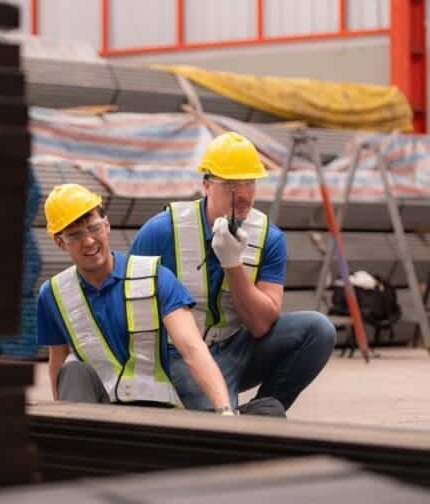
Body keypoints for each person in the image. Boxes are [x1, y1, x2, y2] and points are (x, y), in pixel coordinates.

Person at [129, 131, 336, 412]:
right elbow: (128, 309)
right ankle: (238, 416)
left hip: (234, 347)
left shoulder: (269, 238)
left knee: (318, 330)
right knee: (217, 423)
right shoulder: (161, 231)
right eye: (231, 184)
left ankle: (261, 411)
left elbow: (261, 324)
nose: (244, 194)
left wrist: (233, 264)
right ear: (206, 184)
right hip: (180, 355)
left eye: (250, 182)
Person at [36, 183, 236, 414]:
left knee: (264, 410)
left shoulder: (155, 278)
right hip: (99, 412)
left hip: (156, 412)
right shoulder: (52, 294)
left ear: (107, 225)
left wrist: (224, 409)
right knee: (73, 371)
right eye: (75, 235)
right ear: (59, 242)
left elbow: (192, 349)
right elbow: (57, 364)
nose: (89, 241)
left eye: (94, 228)